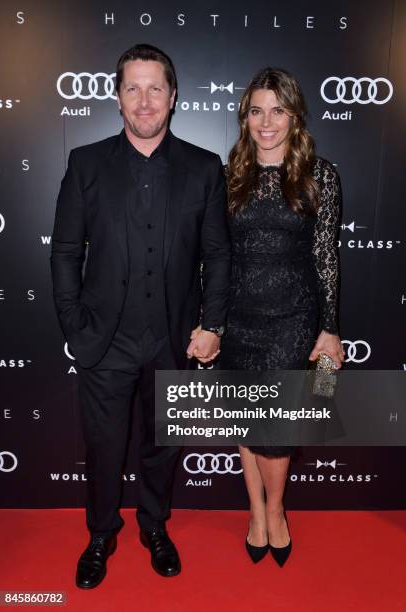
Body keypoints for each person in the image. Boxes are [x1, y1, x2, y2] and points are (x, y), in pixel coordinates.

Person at [51, 43, 230, 589]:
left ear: (173, 97)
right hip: (104, 341)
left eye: (156, 88)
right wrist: (74, 324)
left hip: (174, 340)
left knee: (161, 447)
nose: (145, 100)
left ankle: (154, 526)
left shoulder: (204, 168)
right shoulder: (85, 163)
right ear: (118, 98)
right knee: (104, 448)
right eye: (133, 88)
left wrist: (212, 325)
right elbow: (64, 251)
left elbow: (218, 254)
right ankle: (100, 534)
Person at [219, 67, 345, 566]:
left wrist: (330, 327)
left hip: (293, 318)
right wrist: (211, 321)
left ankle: (277, 510)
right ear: (244, 117)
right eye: (256, 111)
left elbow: (328, 256)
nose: (266, 122)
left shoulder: (321, 175)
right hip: (238, 316)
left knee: (276, 433)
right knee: (247, 423)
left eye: (278, 110)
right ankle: (256, 512)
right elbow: (216, 255)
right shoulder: (229, 174)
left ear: (295, 117)